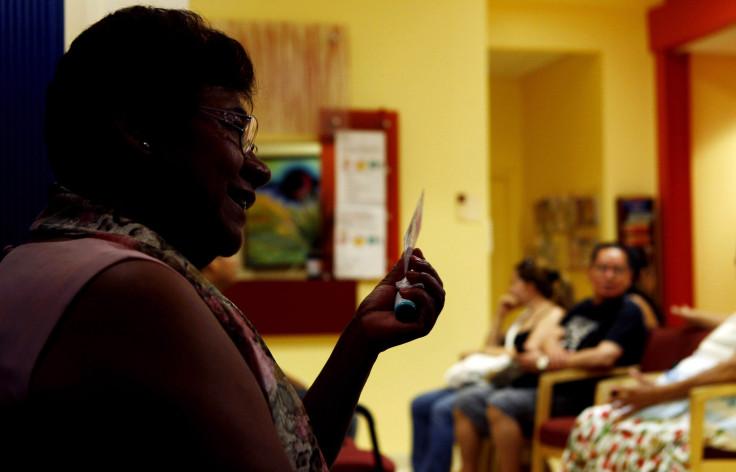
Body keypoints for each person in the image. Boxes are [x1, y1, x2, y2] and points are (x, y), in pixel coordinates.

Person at [0, 7, 445, 471]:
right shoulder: (132, 290)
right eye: (234, 127)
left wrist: (360, 340)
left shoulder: (44, 260)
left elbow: (289, 456)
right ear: (138, 129)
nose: (260, 168)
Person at [453, 242, 647, 472]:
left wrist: (552, 361)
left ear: (630, 276)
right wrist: (551, 347)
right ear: (590, 271)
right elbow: (553, 332)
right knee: (466, 401)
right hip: (545, 382)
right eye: (602, 268)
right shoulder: (584, 306)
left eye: (617, 270)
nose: (609, 276)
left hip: (578, 391)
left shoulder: (628, 310)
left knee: (501, 404)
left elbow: (605, 356)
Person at [410, 259, 572, 472]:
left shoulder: (552, 314)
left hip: (510, 381)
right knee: (421, 403)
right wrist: (499, 316)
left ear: (530, 287)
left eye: (514, 283)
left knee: (444, 408)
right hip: (492, 375)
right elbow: (492, 345)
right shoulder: (522, 315)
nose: (510, 289)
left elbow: (524, 353)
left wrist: (480, 352)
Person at [562, 311, 736, 471]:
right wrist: (699, 317)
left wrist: (658, 394)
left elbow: (732, 369)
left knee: (652, 441)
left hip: (708, 403)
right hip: (681, 393)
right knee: (592, 420)